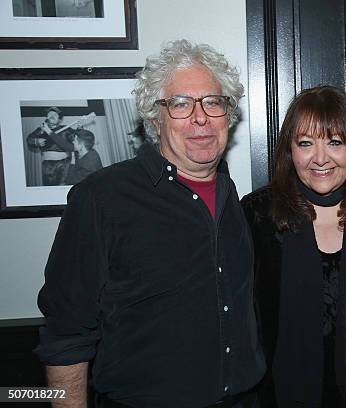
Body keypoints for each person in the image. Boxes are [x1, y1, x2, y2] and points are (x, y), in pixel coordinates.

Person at [35, 39, 265, 408]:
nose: (200, 118)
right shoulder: (101, 198)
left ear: (228, 114)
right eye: (180, 104)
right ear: (155, 119)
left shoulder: (234, 196)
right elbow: (66, 334)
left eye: (213, 102)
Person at [241, 86, 346, 407]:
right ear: (289, 151)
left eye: (334, 142)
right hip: (278, 394)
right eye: (306, 143)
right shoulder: (257, 215)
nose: (320, 158)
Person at [26, 107, 75, 186]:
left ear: (59, 119)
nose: (52, 116)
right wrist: (37, 141)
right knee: (49, 188)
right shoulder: (41, 130)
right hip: (47, 166)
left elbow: (77, 139)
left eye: (55, 114)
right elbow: (29, 139)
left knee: (63, 187)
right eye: (50, 114)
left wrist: (80, 129)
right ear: (46, 117)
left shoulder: (66, 129)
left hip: (64, 164)